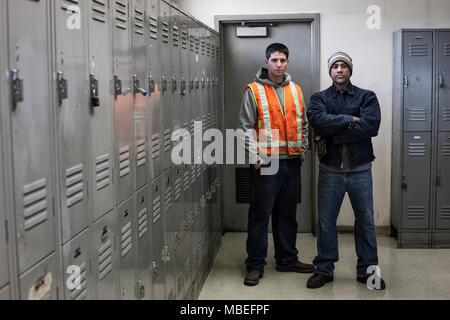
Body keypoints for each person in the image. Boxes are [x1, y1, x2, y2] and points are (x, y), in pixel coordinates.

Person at [306, 52, 385, 290]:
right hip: (330, 170)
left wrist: (335, 130)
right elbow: (318, 122)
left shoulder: (367, 96)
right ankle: (324, 269)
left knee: (366, 222)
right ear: (330, 72)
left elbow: (371, 126)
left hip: (360, 169)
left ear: (350, 70)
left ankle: (368, 271)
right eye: (335, 66)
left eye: (344, 66)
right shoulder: (319, 98)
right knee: (326, 222)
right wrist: (352, 119)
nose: (339, 70)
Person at [239, 43, 314, 286]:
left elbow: (303, 124)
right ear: (266, 61)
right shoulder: (253, 90)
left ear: (287, 62)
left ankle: (287, 259)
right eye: (274, 60)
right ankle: (254, 265)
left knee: (287, 215)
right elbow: (246, 128)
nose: (278, 65)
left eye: (282, 60)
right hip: (267, 163)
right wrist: (257, 159)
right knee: (260, 216)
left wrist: (302, 151)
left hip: (291, 162)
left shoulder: (296, 90)